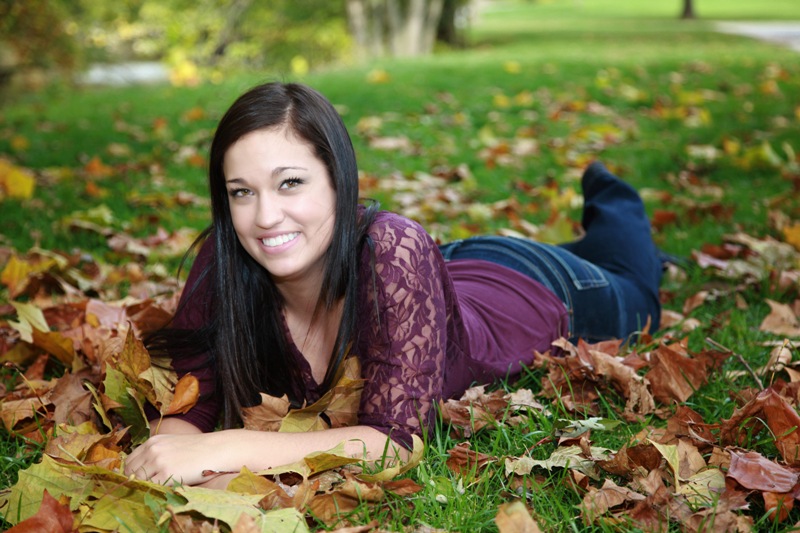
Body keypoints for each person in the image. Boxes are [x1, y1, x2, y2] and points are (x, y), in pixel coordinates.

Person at [124, 81, 662, 487]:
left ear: (339, 182)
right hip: (444, 270)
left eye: (290, 183)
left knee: (636, 279)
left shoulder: (393, 246)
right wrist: (175, 460)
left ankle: (610, 193)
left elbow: (394, 444)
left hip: (538, 287)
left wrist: (222, 450)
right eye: (242, 192)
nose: (265, 217)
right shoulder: (226, 257)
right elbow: (191, 407)